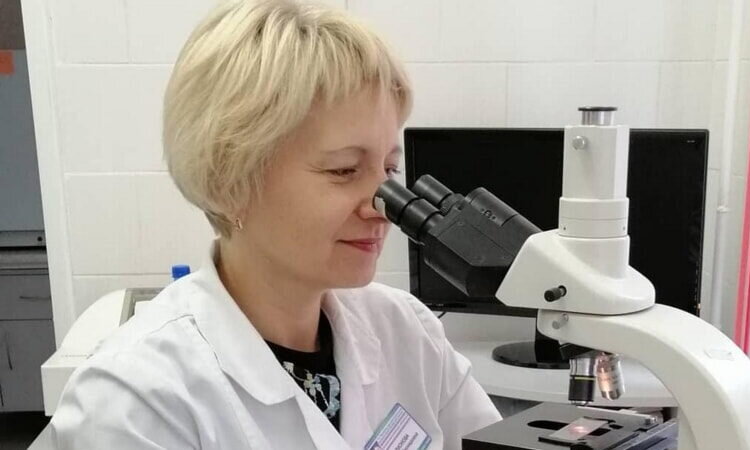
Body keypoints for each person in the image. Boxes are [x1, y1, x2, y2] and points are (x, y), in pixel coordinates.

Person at [50, 0, 502, 448]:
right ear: (229, 181)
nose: (383, 205)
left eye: (389, 168)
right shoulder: (135, 402)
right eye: (344, 169)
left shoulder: (406, 331)